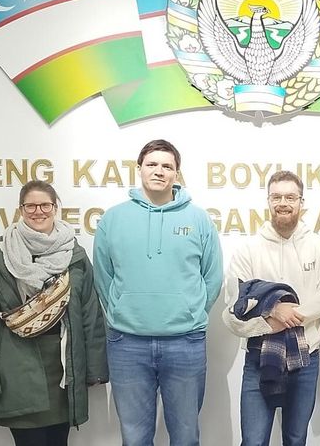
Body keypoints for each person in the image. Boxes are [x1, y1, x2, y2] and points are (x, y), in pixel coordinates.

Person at [93, 139, 223, 446]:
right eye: (152, 164)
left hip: (185, 342)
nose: (159, 171)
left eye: (167, 166)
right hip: (127, 343)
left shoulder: (198, 219)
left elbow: (213, 277)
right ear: (139, 169)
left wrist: (192, 313)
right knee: (135, 438)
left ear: (177, 174)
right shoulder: (113, 219)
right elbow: (103, 274)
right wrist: (120, 311)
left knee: (186, 436)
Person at [0, 180, 108, 446]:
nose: (38, 211)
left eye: (45, 205)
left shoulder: (74, 255)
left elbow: (91, 314)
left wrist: (94, 370)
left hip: (63, 371)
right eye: (30, 206)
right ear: (21, 210)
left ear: (55, 208)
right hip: (17, 373)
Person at [222, 170, 320, 446]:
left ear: (301, 202)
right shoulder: (248, 249)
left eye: (290, 196)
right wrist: (271, 314)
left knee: (296, 439)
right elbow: (233, 308)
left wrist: (288, 315)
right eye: (276, 196)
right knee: (253, 441)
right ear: (268, 201)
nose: (283, 202)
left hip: (305, 357)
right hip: (258, 358)